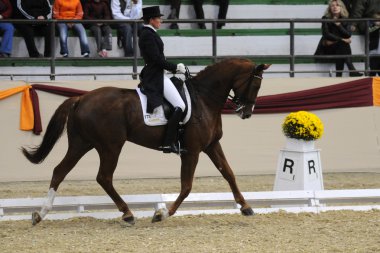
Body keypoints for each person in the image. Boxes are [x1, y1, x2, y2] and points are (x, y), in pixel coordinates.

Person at [138, 6, 187, 154]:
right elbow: (156, 59)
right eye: (159, 18)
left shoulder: (150, 33)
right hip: (155, 75)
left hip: (158, 72)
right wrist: (175, 67)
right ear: (152, 20)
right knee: (180, 105)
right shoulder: (147, 34)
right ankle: (168, 143)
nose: (161, 20)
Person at [314, 0, 363, 77]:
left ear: (341, 7)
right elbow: (326, 34)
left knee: (342, 46)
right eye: (332, 5)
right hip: (327, 48)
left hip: (339, 48)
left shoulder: (345, 19)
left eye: (337, 5)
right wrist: (342, 39)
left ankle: (339, 74)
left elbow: (348, 35)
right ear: (330, 8)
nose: (335, 7)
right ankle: (351, 70)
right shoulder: (326, 18)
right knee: (343, 44)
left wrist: (339, 25)